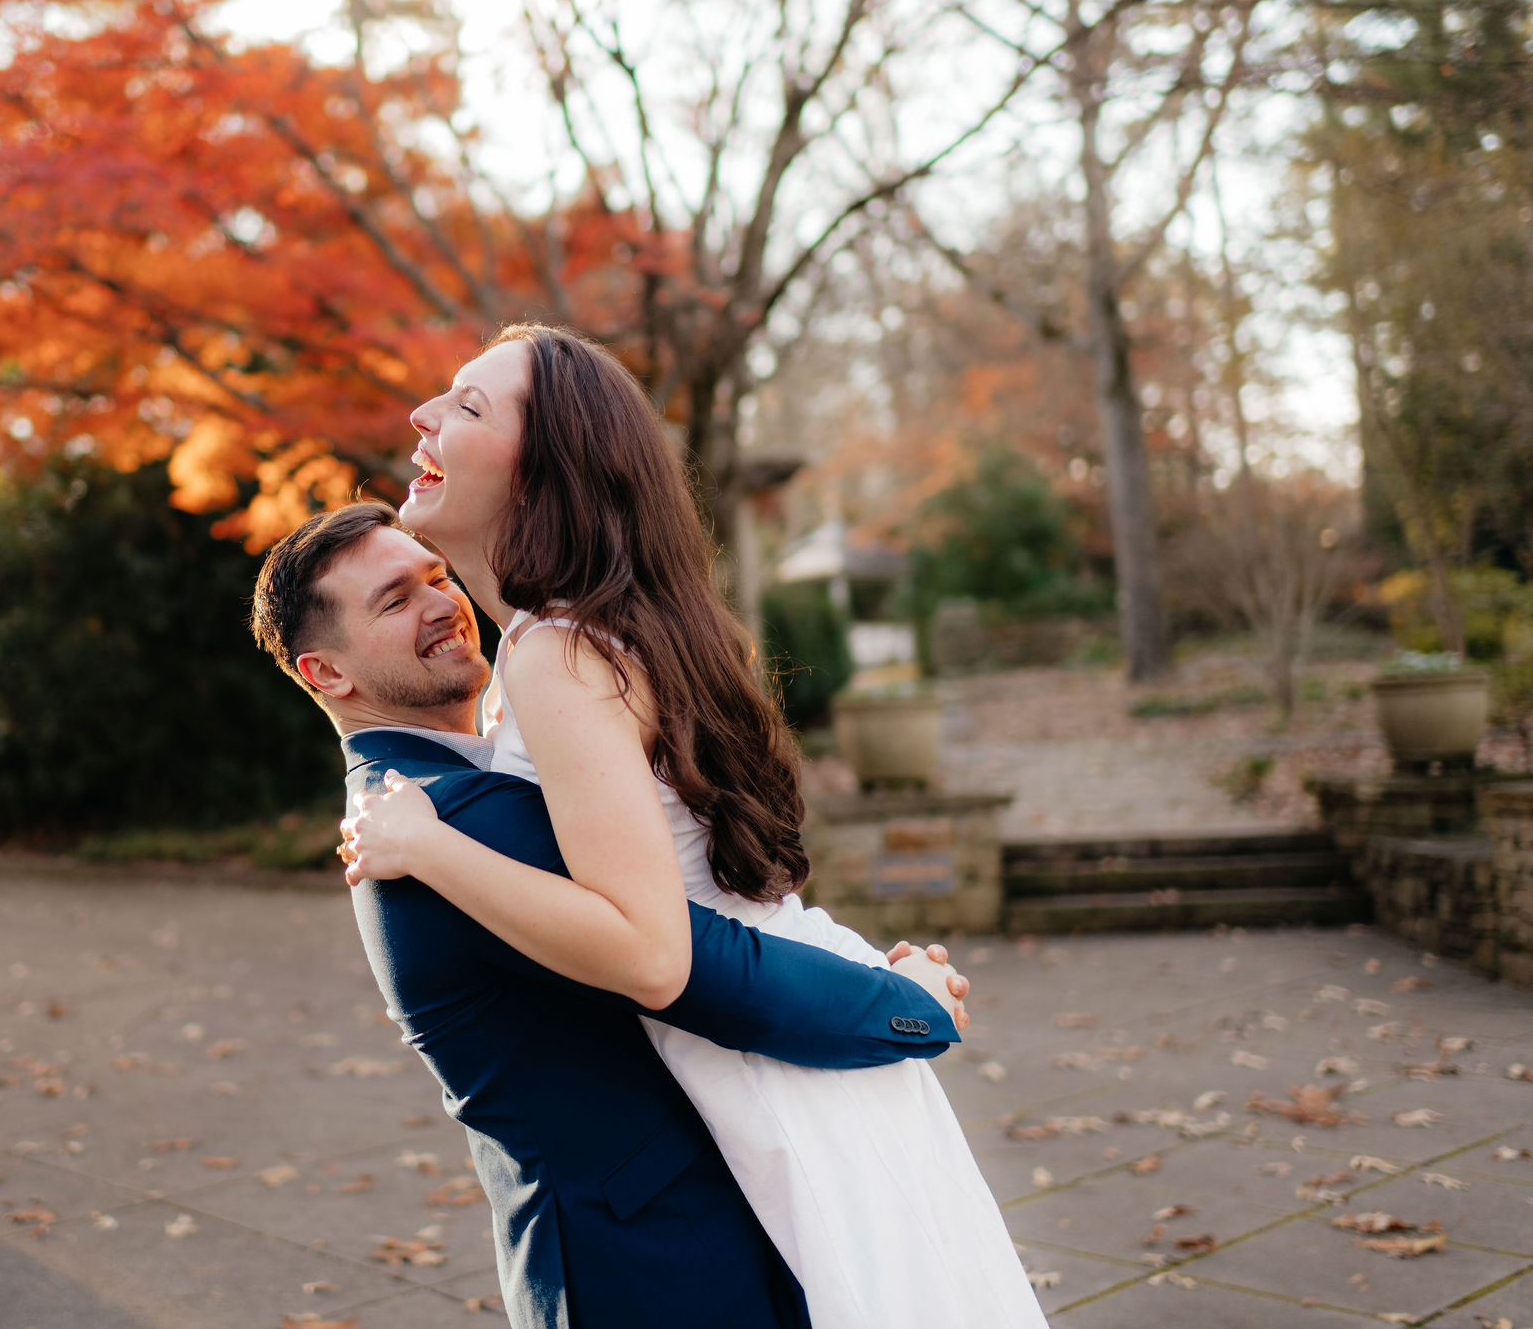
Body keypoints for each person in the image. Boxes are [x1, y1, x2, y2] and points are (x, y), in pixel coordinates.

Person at [342, 324, 1050, 1329]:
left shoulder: (554, 655)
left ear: (547, 472)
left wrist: (429, 848)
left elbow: (651, 951)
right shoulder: (581, 643)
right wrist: (882, 994)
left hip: (771, 1077)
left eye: (468, 405)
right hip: (780, 1056)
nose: (423, 415)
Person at [249, 501, 972, 1329]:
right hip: (653, 1266)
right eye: (394, 599)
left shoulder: (441, 794)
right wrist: (904, 1001)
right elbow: (706, 969)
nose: (441, 602)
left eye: (436, 576)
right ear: (327, 674)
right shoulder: (451, 813)